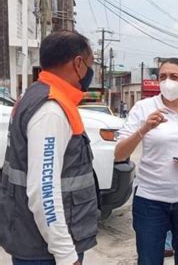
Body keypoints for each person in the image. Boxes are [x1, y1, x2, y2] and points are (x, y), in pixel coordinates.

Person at [0, 31, 98, 264]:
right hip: (44, 252)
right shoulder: (51, 110)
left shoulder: (35, 94)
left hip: (33, 241)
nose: (89, 72)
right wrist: (65, 254)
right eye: (89, 64)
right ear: (77, 64)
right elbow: (43, 190)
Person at [114, 58, 178, 265]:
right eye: (162, 77)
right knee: (149, 260)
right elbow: (119, 154)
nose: (167, 81)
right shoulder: (143, 108)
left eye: (174, 77)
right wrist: (144, 129)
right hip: (150, 201)